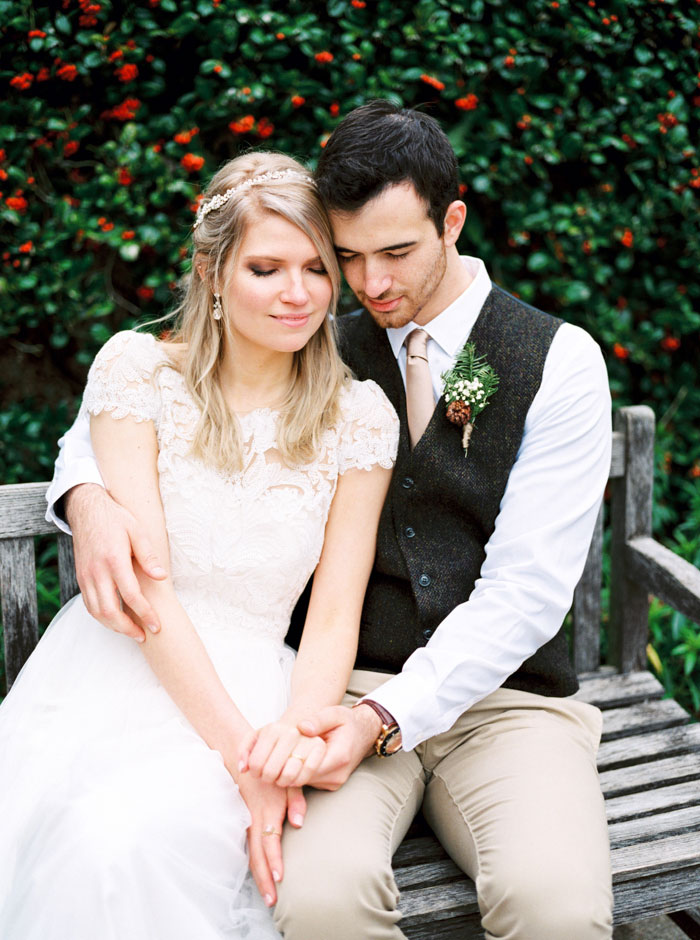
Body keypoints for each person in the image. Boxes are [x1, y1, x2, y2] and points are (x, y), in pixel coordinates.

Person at [47, 102, 614, 940]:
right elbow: (142, 400)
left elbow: (527, 593)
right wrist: (85, 497)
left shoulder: (558, 361)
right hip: (330, 690)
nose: (370, 284)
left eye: (396, 253)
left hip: (507, 705)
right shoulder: (312, 342)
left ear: (452, 221)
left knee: (556, 910)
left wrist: (379, 721)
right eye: (347, 257)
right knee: (317, 903)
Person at [0, 151, 398, 939]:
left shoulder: (360, 419)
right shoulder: (136, 372)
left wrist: (282, 749)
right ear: (212, 273)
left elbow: (332, 615)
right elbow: (147, 591)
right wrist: (240, 760)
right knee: (97, 845)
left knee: (148, 841)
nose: (297, 293)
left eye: (317, 269)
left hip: (262, 690)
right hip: (117, 666)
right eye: (265, 267)